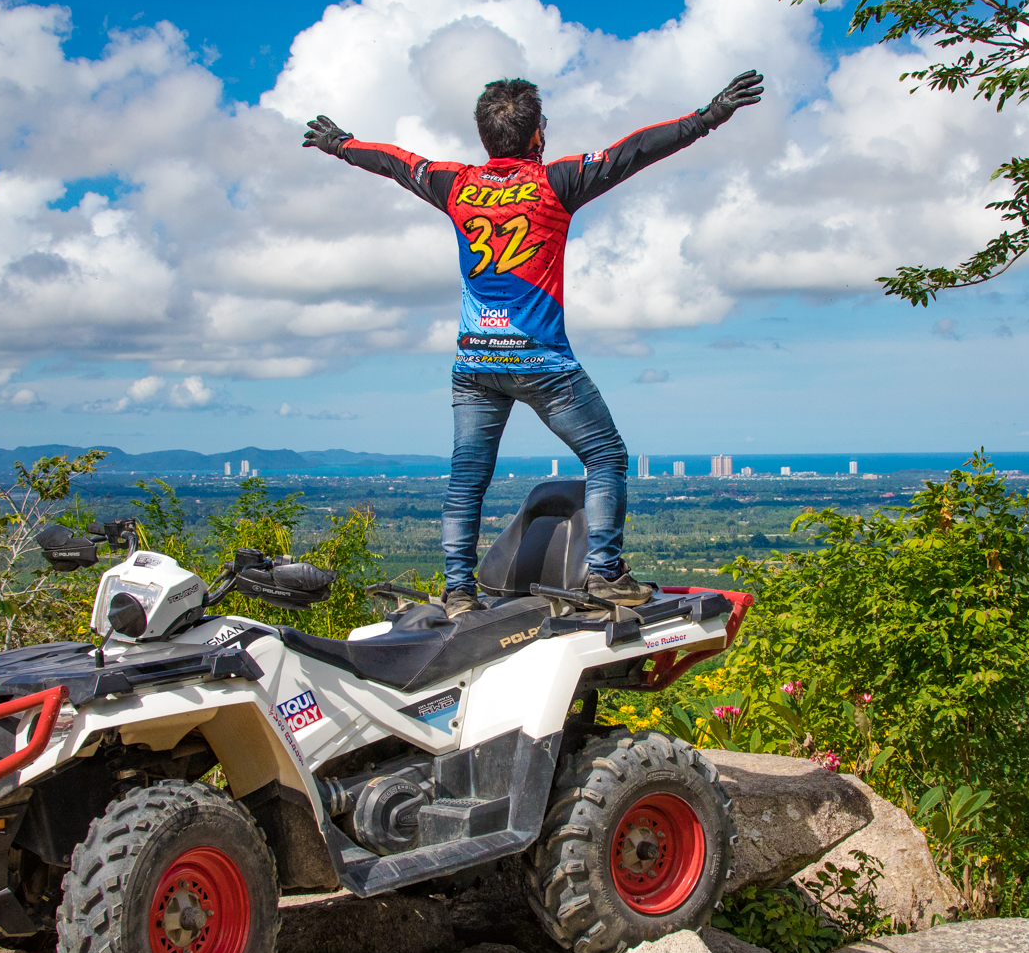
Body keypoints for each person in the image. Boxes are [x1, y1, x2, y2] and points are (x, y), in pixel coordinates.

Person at [303, 71, 763, 615]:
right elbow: (633, 151)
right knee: (607, 456)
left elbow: (398, 163)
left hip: (475, 362)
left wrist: (341, 144)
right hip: (540, 361)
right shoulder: (556, 183)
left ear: (485, 136)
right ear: (536, 135)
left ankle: (458, 591)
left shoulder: (456, 184)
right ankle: (605, 575)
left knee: (467, 478)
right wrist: (707, 117)